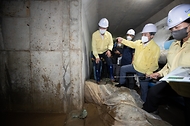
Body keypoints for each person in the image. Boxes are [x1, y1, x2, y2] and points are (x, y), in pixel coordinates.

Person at [142, 4, 190, 126]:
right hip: (174, 83)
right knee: (153, 93)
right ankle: (147, 117)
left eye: (177, 27)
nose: (174, 31)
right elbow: (169, 65)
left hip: (188, 88)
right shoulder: (174, 44)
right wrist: (159, 73)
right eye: (171, 28)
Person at [115, 23, 160, 102]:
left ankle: (144, 104)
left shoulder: (155, 48)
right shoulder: (139, 43)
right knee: (123, 69)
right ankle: (121, 83)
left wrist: (148, 73)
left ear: (152, 36)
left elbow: (154, 64)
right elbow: (131, 44)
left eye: (145, 34)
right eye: (143, 34)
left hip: (144, 71)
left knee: (144, 89)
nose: (143, 36)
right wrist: (122, 40)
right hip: (135, 67)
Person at [92, 18, 114, 84]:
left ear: (106, 28)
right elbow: (94, 47)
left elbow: (111, 43)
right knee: (97, 64)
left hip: (105, 51)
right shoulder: (94, 35)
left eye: (104, 28)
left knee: (109, 62)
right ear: (99, 27)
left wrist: (109, 50)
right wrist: (96, 56)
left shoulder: (109, 35)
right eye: (101, 27)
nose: (102, 29)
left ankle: (111, 76)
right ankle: (98, 79)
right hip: (97, 52)